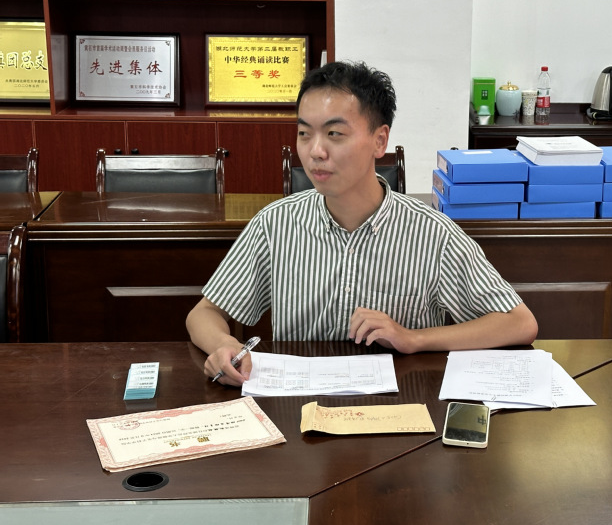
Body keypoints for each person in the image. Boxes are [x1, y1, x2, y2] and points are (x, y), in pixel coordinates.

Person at [187, 60, 538, 386]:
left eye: (334, 134)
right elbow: (204, 313)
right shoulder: (275, 224)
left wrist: (413, 338)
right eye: (305, 133)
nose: (315, 151)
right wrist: (222, 344)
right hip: (297, 406)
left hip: (398, 411)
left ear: (379, 140)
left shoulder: (432, 234)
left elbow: (519, 323)